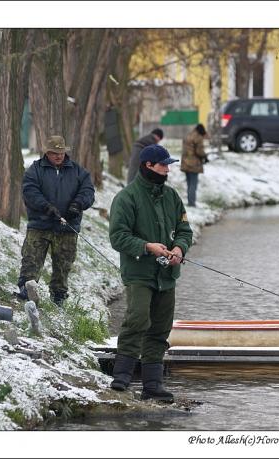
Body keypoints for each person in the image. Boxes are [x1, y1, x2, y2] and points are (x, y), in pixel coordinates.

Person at [109, 144, 193, 401]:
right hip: (139, 273)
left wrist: (179, 248)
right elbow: (118, 237)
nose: (168, 169)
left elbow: (185, 230)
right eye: (164, 165)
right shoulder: (126, 198)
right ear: (148, 166)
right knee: (137, 319)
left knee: (160, 327)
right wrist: (147, 247)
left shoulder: (172, 197)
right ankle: (121, 376)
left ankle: (152, 385)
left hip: (167, 276)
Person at [17, 135, 95, 306]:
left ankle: (58, 297)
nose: (58, 156)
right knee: (31, 259)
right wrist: (46, 207)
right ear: (47, 153)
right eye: (54, 153)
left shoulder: (79, 171)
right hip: (40, 225)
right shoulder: (35, 170)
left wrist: (77, 205)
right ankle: (26, 290)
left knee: (63, 265)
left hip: (68, 227)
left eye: (61, 152)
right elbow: (30, 191)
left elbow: (88, 191)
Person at [180, 123, 208, 207]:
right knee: (193, 185)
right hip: (193, 164)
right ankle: (192, 203)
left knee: (189, 184)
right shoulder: (198, 137)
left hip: (185, 162)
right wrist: (205, 157)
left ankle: (190, 201)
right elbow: (199, 151)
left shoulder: (188, 135)